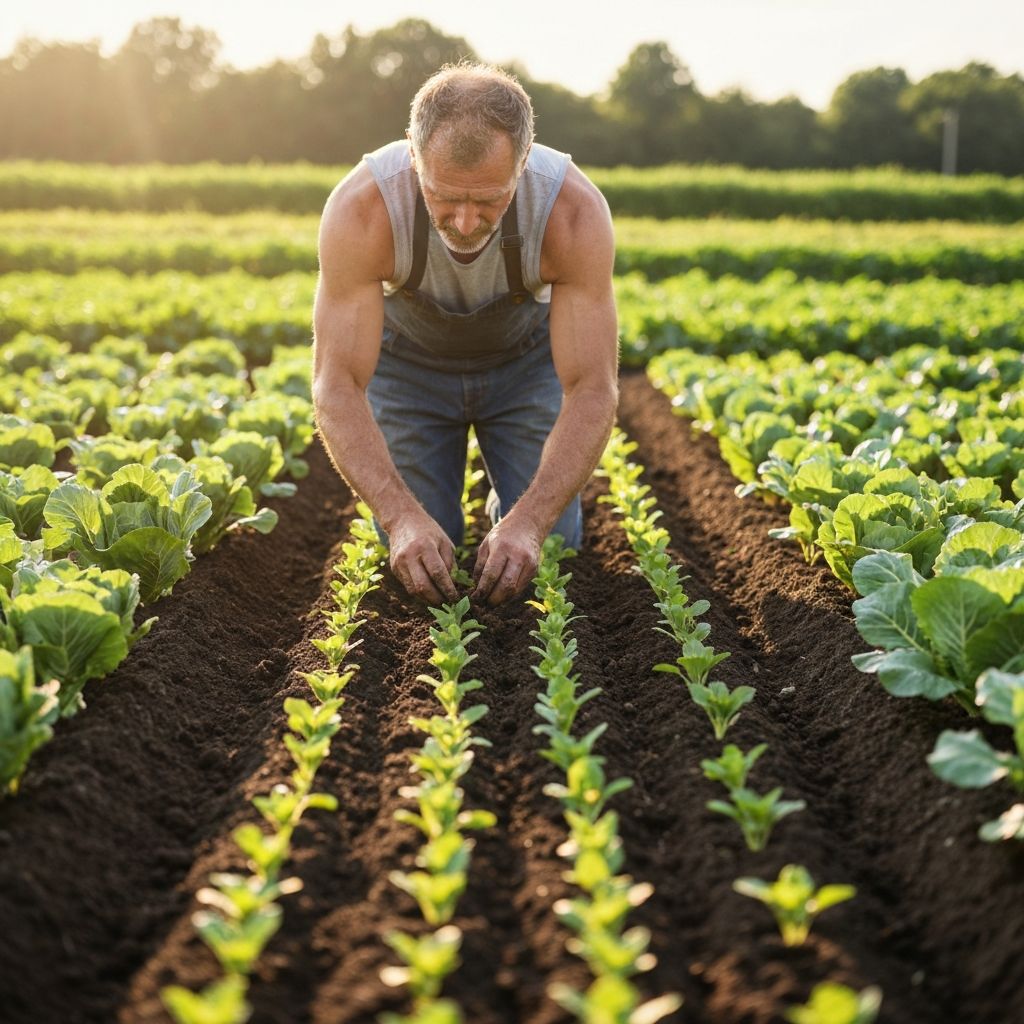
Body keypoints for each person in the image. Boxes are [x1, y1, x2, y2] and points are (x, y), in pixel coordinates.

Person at [312, 62, 618, 607]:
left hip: (523, 369)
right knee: (422, 554)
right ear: (413, 152)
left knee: (554, 545)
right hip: (409, 372)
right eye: (444, 197)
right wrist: (401, 517)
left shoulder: (571, 212)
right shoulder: (363, 210)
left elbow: (593, 388)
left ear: (524, 161)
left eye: (489, 200)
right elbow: (336, 384)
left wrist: (529, 522)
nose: (466, 222)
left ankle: (509, 521)